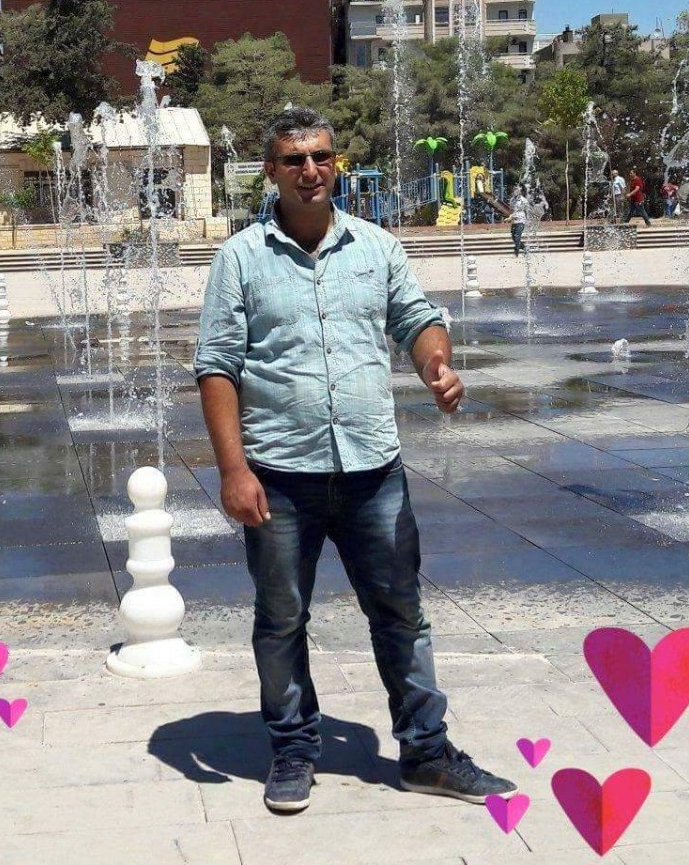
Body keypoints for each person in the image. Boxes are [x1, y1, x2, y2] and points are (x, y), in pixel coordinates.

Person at [194, 106, 518, 815]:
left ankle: (426, 754)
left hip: (374, 470)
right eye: (294, 159)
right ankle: (293, 749)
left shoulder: (378, 246)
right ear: (272, 171)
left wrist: (436, 365)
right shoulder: (239, 259)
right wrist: (233, 469)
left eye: (321, 156)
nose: (310, 170)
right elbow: (216, 367)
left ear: (335, 164)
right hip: (280, 474)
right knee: (282, 619)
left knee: (401, 614)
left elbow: (418, 320)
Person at [509, 184, 529, 256]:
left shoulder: (524, 200)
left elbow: (527, 210)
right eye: (514, 190)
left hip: (521, 220)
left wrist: (528, 220)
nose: (515, 191)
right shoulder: (512, 200)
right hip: (514, 221)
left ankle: (516, 249)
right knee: (513, 237)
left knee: (517, 236)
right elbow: (511, 209)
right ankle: (524, 248)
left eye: (517, 190)